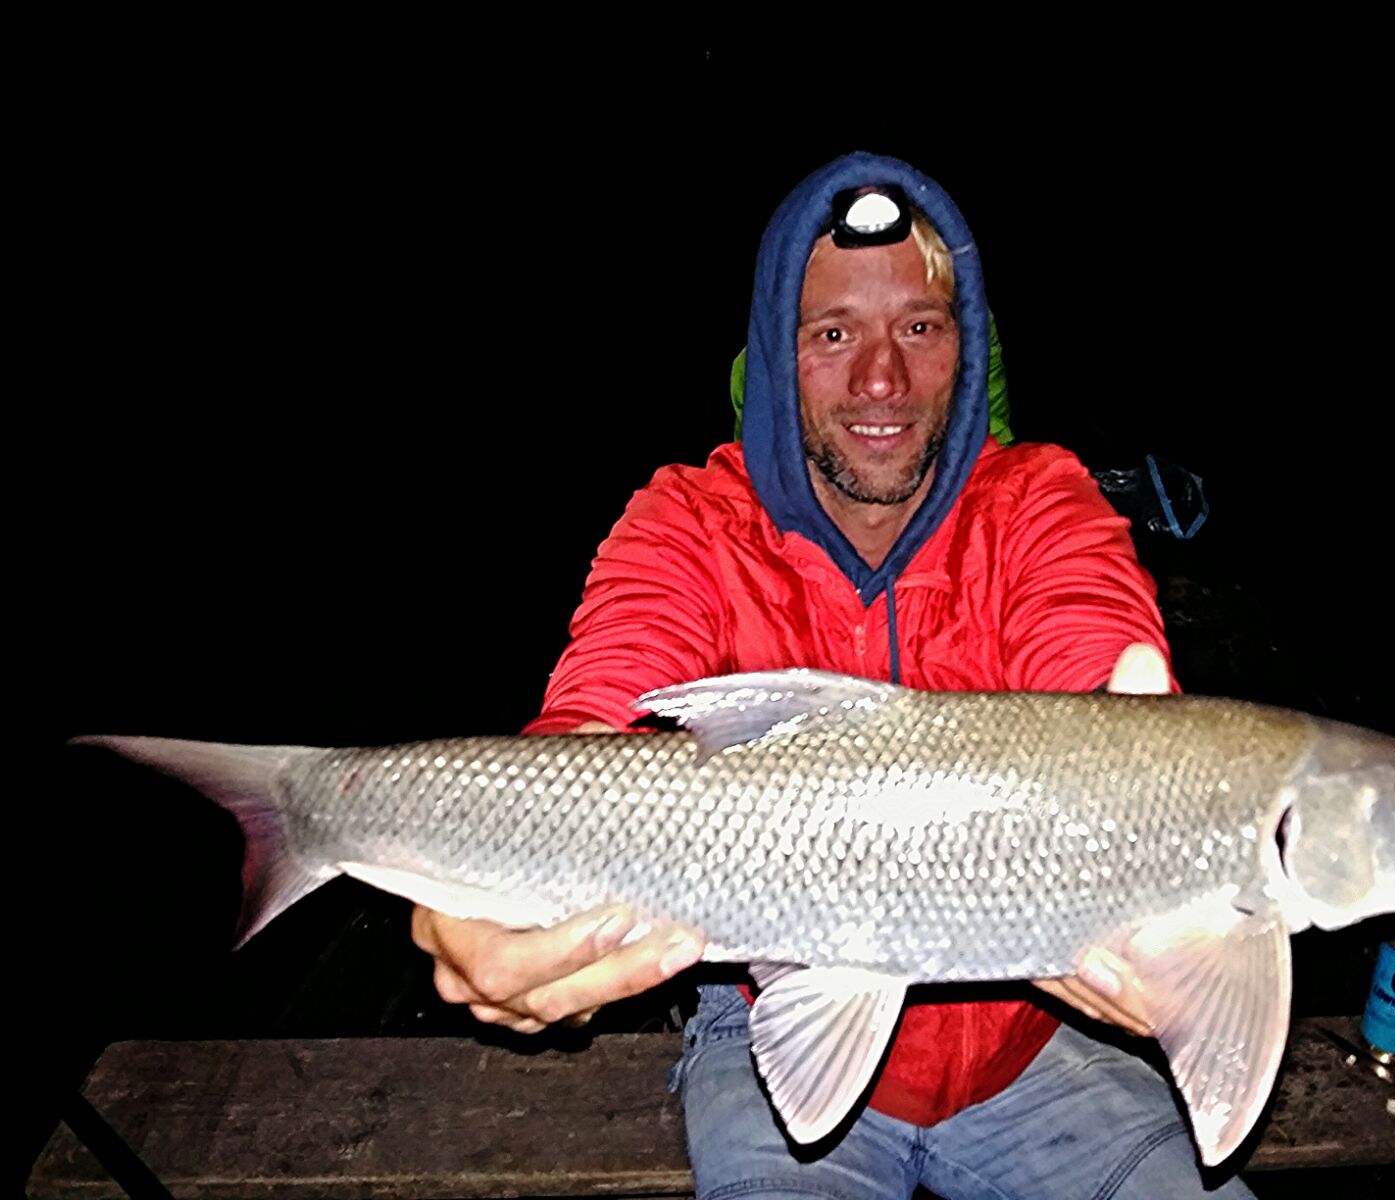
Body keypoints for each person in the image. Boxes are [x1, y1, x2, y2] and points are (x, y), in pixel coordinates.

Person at [413, 152, 1255, 1198]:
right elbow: (596, 710)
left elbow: (1093, 646)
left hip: (1030, 1042)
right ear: (775, 354)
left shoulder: (1040, 498)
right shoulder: (688, 519)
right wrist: (501, 895)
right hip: (769, 1013)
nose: (879, 380)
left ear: (967, 348)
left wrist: (1149, 775)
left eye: (918, 327)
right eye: (832, 333)